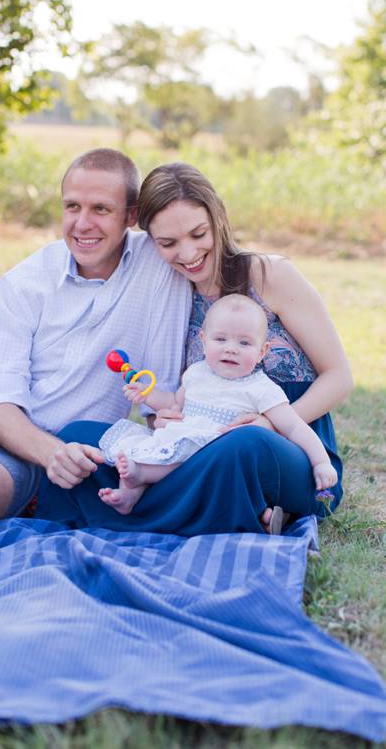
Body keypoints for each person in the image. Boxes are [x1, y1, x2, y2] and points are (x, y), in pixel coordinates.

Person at [0, 149, 192, 524]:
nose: (82, 223)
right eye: (72, 207)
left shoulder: (158, 268)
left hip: (56, 440)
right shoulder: (25, 280)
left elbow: (158, 393)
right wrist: (49, 452)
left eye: (101, 210)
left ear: (132, 215)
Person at [35, 162, 352, 534]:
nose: (188, 254)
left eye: (198, 234)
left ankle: (141, 514)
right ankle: (223, 512)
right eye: (167, 244)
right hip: (196, 443)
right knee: (80, 437)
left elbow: (339, 377)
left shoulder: (269, 276)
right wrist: (163, 418)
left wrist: (271, 423)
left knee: (243, 445)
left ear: (217, 218)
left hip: (285, 448)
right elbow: (170, 400)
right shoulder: (170, 292)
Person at [97, 294, 337, 523]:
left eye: (244, 342)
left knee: (173, 460)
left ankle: (141, 476)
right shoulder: (196, 373)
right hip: (181, 438)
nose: (230, 348)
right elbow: (173, 404)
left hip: (213, 455)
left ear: (262, 351)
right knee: (141, 446)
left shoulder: (261, 389)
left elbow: (295, 427)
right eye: (220, 339)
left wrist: (321, 462)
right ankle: (129, 495)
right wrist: (146, 395)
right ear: (203, 340)